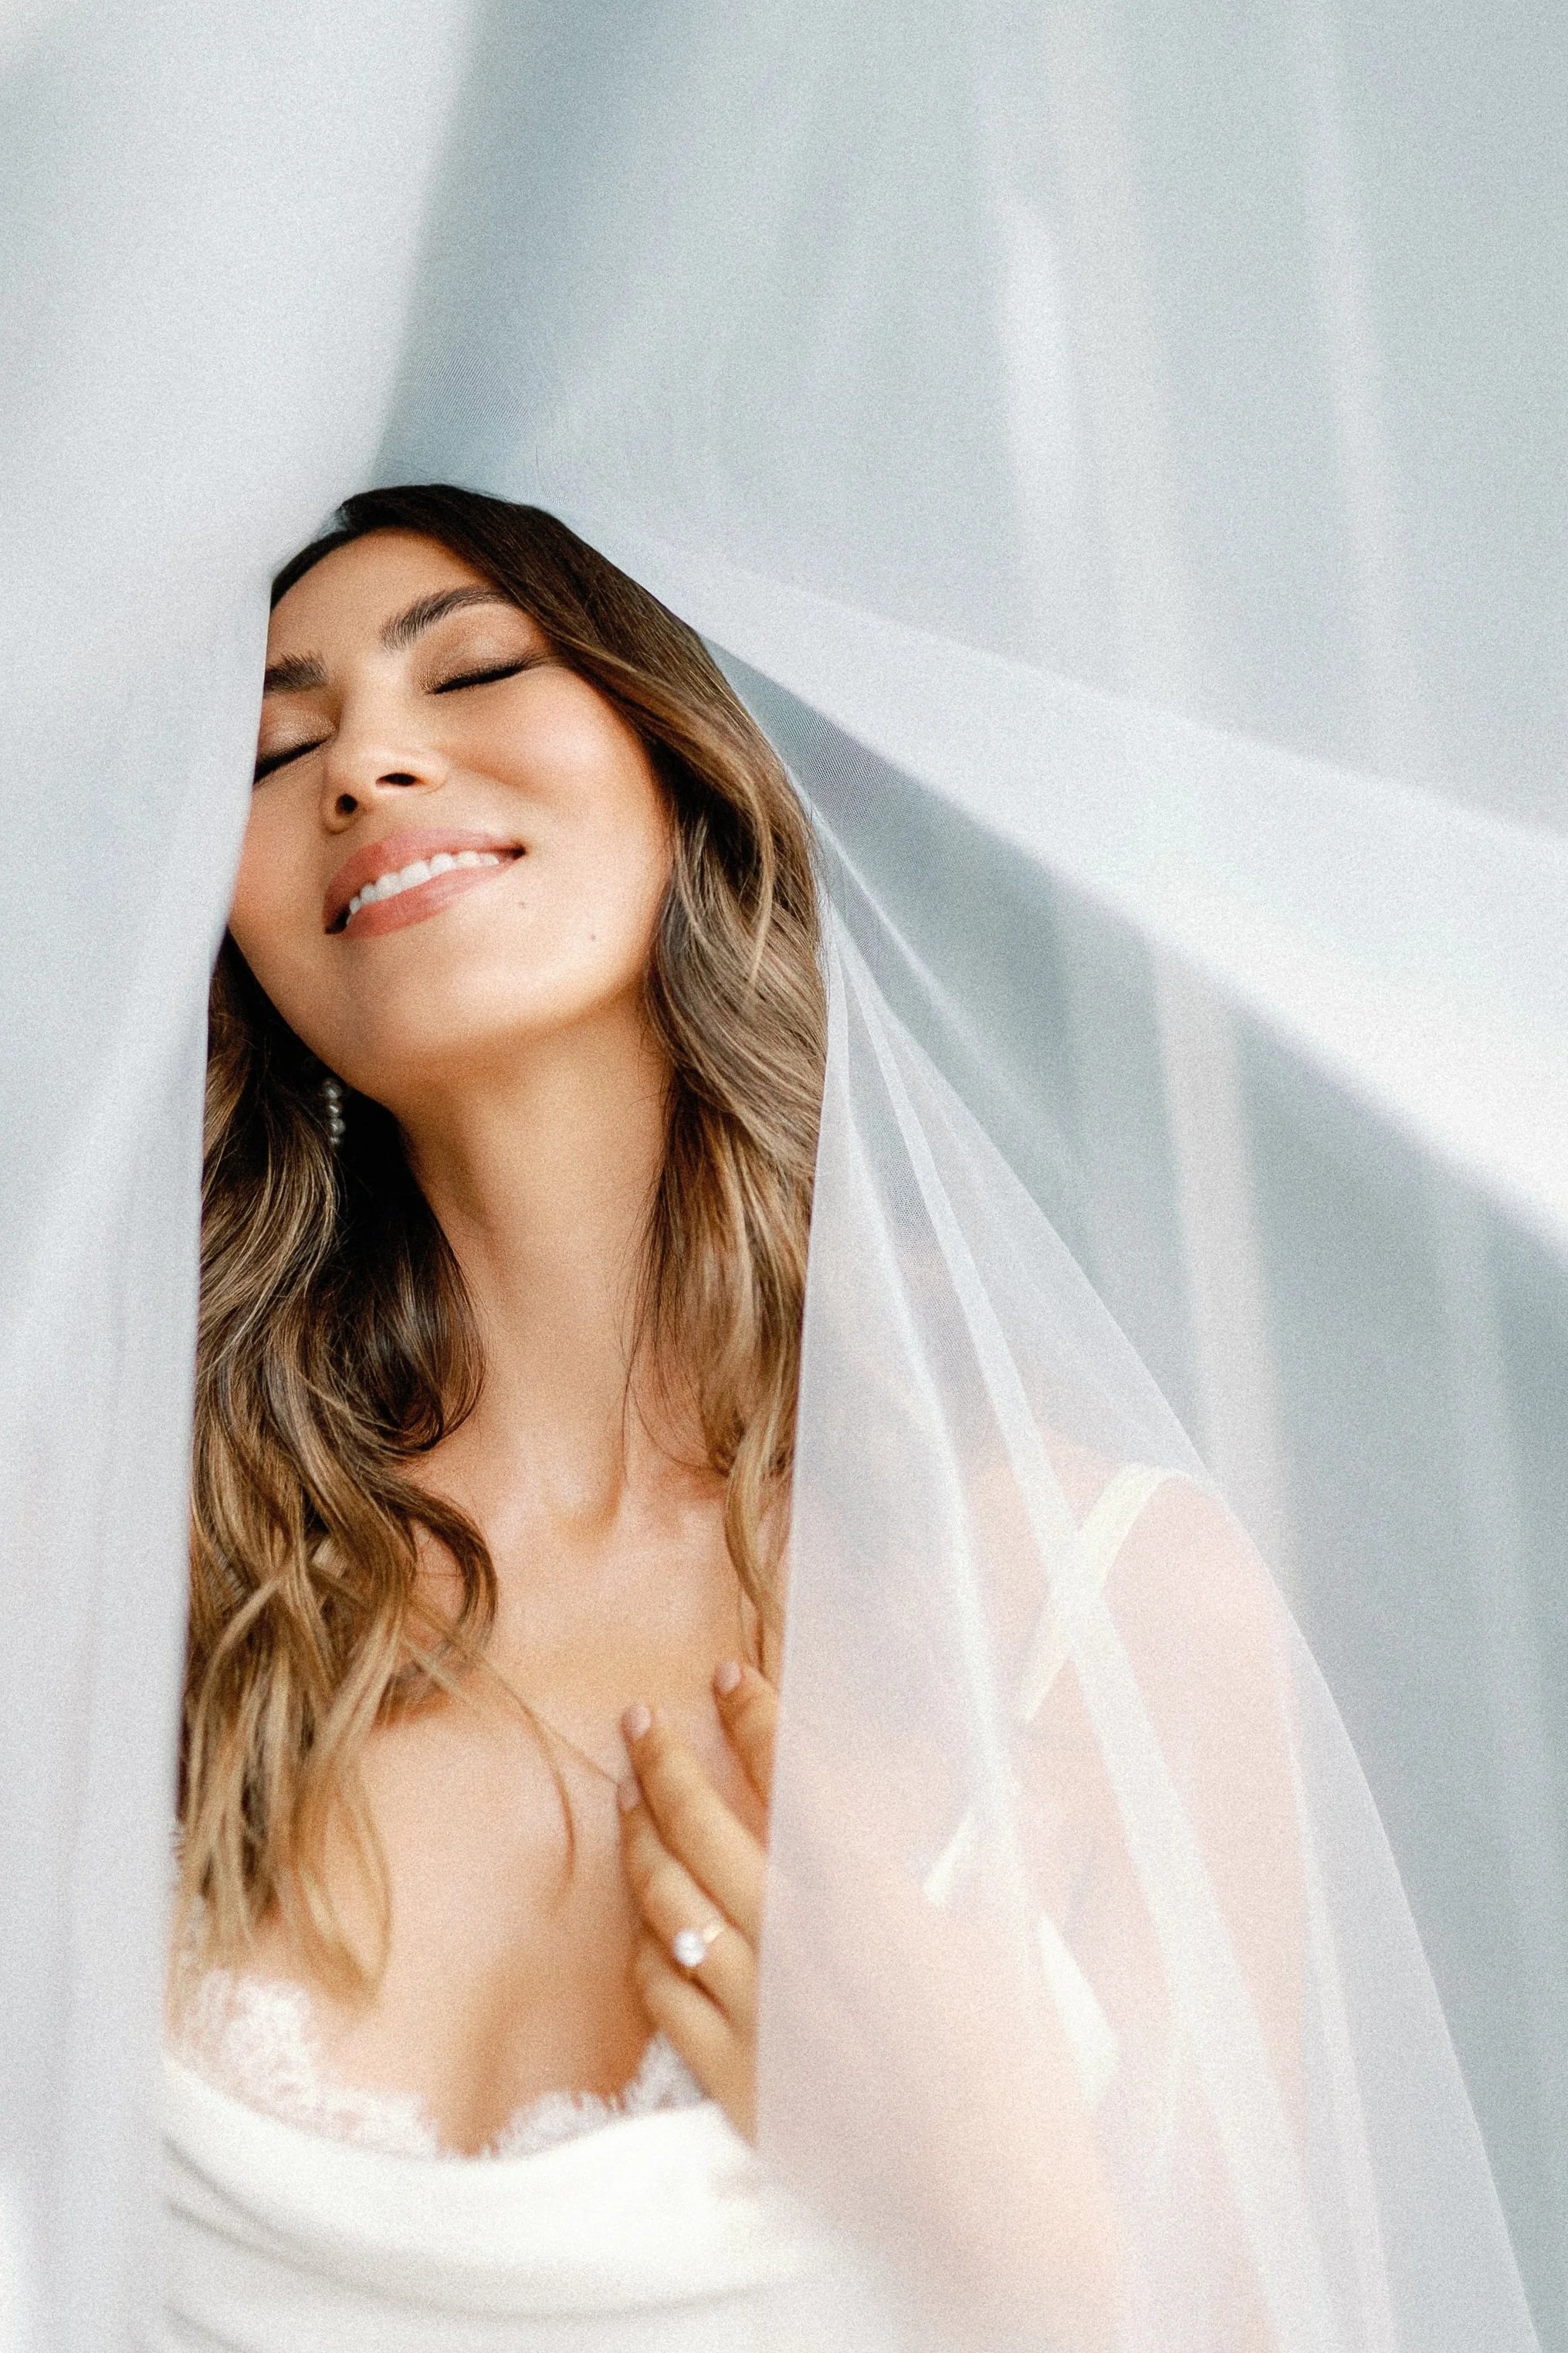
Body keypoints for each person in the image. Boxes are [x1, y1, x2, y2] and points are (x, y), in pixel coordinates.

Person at [161, 484, 1539, 2353]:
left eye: (473, 666)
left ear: (685, 775)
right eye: (275, 745)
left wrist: (994, 2212)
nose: (365, 766)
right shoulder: (169, 1597)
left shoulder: (1101, 1607)